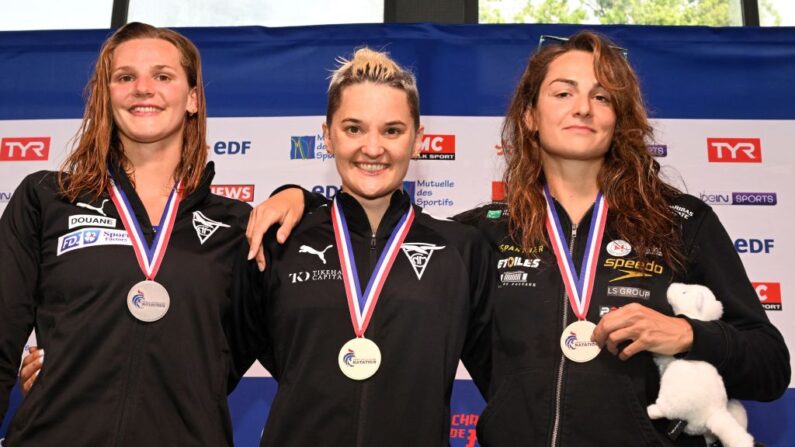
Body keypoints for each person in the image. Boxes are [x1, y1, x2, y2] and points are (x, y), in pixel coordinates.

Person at [243, 31, 790, 446]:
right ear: (529, 115)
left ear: (619, 117)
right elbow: (374, 234)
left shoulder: (680, 221)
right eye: (563, 91)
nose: (582, 106)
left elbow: (770, 367)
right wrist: (305, 198)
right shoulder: (479, 234)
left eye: (602, 96)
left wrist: (688, 335)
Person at [0, 22, 252, 446]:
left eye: (163, 75)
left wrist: (297, 196)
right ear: (107, 95)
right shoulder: (46, 199)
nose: (143, 88)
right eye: (125, 77)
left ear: (192, 98)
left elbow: (230, 358)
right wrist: (75, 365)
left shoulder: (237, 225)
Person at [229, 47, 494, 446]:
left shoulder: (461, 249)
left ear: (418, 139)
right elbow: (211, 372)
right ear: (327, 136)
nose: (373, 148)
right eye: (353, 129)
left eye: (392, 130)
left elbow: (512, 384)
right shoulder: (281, 240)